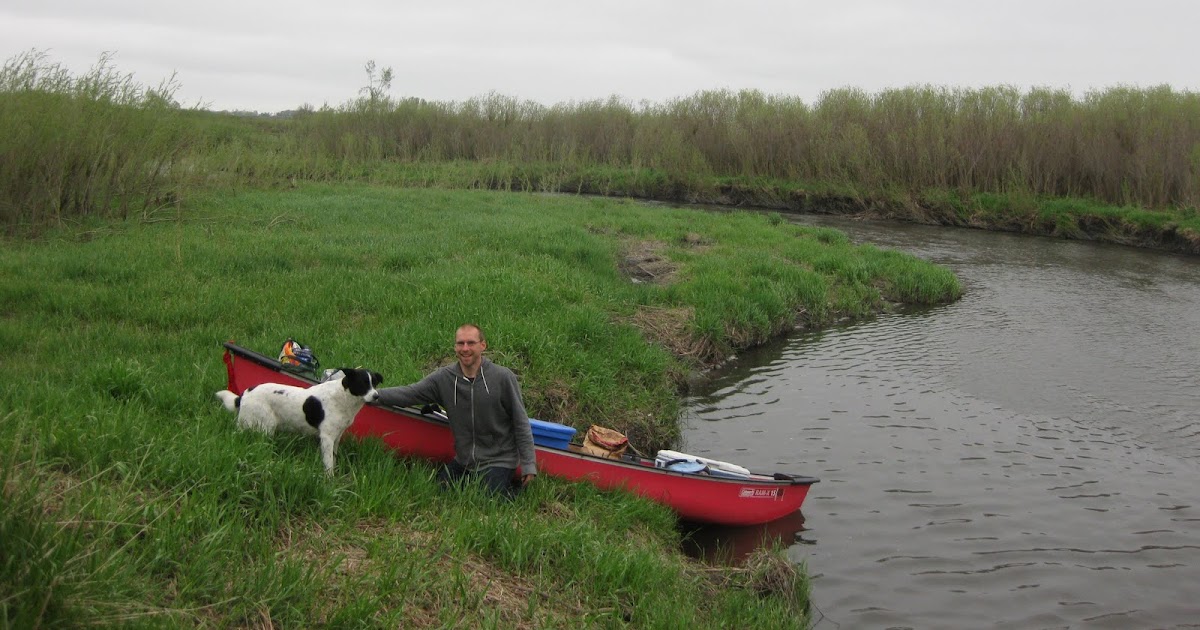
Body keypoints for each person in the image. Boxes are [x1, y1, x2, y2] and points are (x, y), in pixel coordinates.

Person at [376, 324, 537, 498]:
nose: (465, 349)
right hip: (464, 460)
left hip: (499, 459)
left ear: (483, 345)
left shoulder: (503, 378)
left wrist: (529, 464)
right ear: (455, 347)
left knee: (485, 499)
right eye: (460, 343)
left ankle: (514, 492)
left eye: (471, 343)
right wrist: (369, 394)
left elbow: (520, 422)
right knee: (440, 492)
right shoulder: (443, 378)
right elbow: (408, 393)